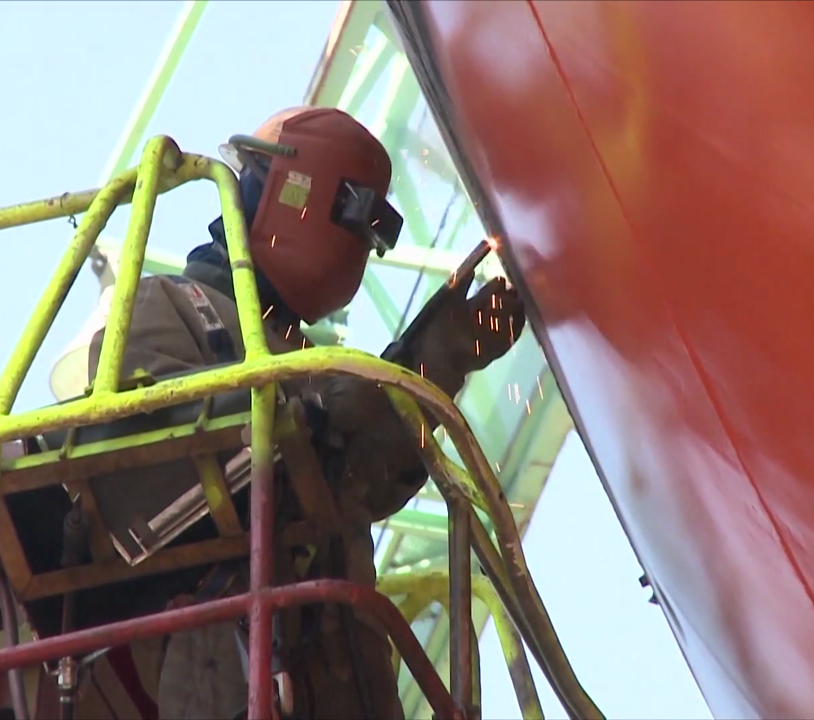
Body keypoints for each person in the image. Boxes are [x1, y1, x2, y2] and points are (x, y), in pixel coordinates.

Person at [43, 106, 527, 719]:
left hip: (327, 684)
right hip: (219, 671)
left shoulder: (305, 363)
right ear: (309, 201)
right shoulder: (161, 306)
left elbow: (357, 480)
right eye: (359, 228)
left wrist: (441, 350)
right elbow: (131, 475)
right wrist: (317, 407)